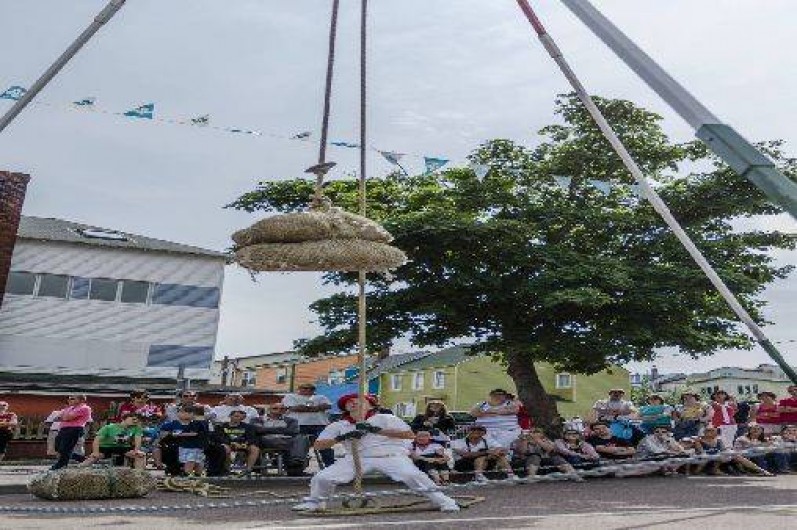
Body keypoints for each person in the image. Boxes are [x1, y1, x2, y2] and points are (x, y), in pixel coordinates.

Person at [291, 393, 460, 513]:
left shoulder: (386, 418)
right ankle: (315, 504)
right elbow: (319, 445)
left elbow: (409, 435)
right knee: (322, 477)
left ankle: (445, 502)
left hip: (390, 456)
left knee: (412, 476)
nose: (354, 403)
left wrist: (376, 430)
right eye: (350, 402)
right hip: (356, 458)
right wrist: (344, 437)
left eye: (359, 400)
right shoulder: (339, 425)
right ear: (345, 408)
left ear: (370, 404)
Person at [282, 383, 334, 467]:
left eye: (311, 389)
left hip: (319, 425)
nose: (308, 390)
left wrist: (305, 408)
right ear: (299, 388)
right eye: (305, 388)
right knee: (297, 447)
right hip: (298, 425)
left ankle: (331, 466)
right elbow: (295, 408)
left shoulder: (321, 397)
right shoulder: (290, 396)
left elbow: (327, 406)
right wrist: (316, 408)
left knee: (324, 444)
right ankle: (296, 467)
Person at [450, 425, 516, 483]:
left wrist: (495, 452)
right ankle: (478, 476)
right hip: (463, 465)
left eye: (479, 430)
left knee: (500, 456)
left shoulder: (488, 441)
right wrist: (486, 452)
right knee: (482, 457)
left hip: (484, 463)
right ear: (468, 431)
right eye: (473, 430)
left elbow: (503, 449)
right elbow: (465, 455)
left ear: (484, 433)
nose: (476, 431)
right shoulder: (457, 442)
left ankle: (510, 474)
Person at [695, 425, 771, 476]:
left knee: (737, 456)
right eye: (709, 431)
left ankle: (761, 470)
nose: (712, 433)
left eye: (714, 431)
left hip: (719, 456)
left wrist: (728, 451)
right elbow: (702, 452)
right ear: (704, 432)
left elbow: (724, 450)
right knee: (723, 456)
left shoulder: (718, 440)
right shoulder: (699, 440)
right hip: (706, 456)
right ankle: (708, 470)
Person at [256, 403, 307, 476]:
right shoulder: (258, 419)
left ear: (285, 410)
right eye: (275, 408)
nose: (278, 410)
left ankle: (296, 462)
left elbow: (292, 431)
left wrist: (267, 430)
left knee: (301, 437)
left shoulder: (291, 420)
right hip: (266, 441)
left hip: (286, 441)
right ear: (269, 410)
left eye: (282, 409)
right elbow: (257, 430)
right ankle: (287, 463)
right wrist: (281, 429)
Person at [512, 428, 583, 481]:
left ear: (542, 434)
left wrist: (538, 440)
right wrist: (524, 440)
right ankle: (531, 477)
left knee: (556, 457)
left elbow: (550, 449)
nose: (532, 433)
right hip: (526, 461)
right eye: (531, 432)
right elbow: (522, 452)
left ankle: (572, 474)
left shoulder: (545, 440)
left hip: (544, 460)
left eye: (536, 432)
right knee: (535, 456)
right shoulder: (520, 440)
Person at [81, 413, 146, 469]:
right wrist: (95, 452)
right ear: (124, 419)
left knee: (140, 455)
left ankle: (139, 475)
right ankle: (78, 469)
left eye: (137, 420)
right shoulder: (109, 427)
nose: (135, 421)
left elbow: (138, 440)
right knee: (93, 457)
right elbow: (96, 440)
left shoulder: (136, 428)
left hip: (123, 447)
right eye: (133, 419)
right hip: (105, 447)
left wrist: (136, 450)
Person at [159, 406, 210, 476]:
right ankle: (197, 475)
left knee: (191, 460)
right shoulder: (202, 422)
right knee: (197, 461)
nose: (179, 414)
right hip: (195, 446)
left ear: (191, 413)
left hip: (194, 446)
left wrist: (179, 434)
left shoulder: (197, 422)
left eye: (182, 412)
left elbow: (194, 433)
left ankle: (186, 475)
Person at [51, 395, 92, 470]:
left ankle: (61, 465)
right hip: (63, 429)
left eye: (72, 399)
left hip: (74, 429)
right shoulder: (70, 408)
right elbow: (57, 417)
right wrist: (64, 416)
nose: (69, 400)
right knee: (58, 448)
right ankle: (83, 459)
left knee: (65, 448)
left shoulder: (84, 408)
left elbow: (66, 417)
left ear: (81, 400)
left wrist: (64, 417)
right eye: (69, 399)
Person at [214, 410, 260, 474]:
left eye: (240, 417)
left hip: (243, 445)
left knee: (255, 449)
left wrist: (244, 444)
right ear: (230, 416)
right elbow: (219, 438)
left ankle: (248, 470)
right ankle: (227, 469)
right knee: (225, 448)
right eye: (236, 416)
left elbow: (252, 438)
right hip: (228, 444)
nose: (238, 418)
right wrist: (231, 443)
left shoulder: (248, 427)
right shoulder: (221, 426)